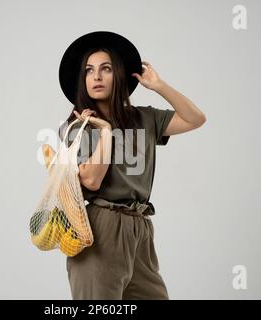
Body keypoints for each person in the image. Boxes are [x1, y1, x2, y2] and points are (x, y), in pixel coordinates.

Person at [57, 31, 207, 300]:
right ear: (83, 80)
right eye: (89, 71)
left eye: (106, 69)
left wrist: (159, 85)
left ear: (120, 75)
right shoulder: (78, 127)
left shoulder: (145, 118)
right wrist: (104, 131)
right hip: (100, 229)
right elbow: (91, 181)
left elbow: (195, 119)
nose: (97, 77)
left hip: (140, 227)